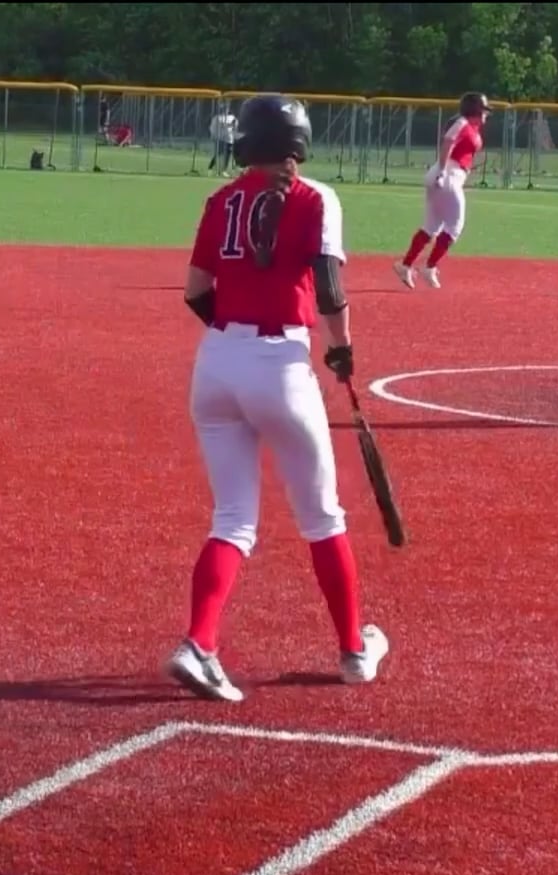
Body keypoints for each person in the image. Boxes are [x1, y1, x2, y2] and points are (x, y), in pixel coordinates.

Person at [171, 93, 388, 704]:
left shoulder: (221, 199)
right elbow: (329, 289)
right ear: (300, 142)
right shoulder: (316, 197)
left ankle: (199, 645)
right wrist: (341, 351)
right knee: (322, 517)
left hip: (215, 364)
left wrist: (235, 338)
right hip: (281, 364)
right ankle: (353, 651)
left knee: (233, 519)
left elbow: (196, 292)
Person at [394, 92, 491, 290]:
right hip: (448, 175)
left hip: (447, 174)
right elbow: (448, 141)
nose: (486, 114)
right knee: (455, 227)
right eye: (483, 110)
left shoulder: (471, 127)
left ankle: (405, 265)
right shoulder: (462, 123)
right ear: (474, 110)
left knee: (431, 227)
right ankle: (429, 267)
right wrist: (442, 170)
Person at [208, 105, 237, 177]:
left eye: (226, 109)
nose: (225, 111)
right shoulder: (218, 118)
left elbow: (235, 126)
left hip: (229, 140)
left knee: (228, 155)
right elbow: (213, 128)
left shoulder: (232, 117)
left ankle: (224, 170)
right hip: (221, 139)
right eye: (224, 109)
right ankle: (210, 168)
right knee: (218, 153)